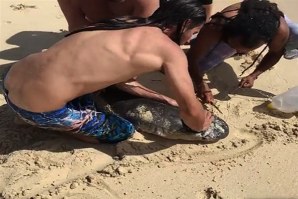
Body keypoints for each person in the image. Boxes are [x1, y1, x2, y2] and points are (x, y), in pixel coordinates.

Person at [3, 0, 213, 144]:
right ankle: (60, 127)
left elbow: (118, 79)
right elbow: (191, 113)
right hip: (34, 110)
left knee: (91, 88)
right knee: (121, 131)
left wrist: (164, 100)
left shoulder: (122, 24)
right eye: (193, 33)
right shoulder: (171, 52)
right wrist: (201, 124)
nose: (189, 40)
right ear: (183, 24)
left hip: (10, 82)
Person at [187, 0, 290, 104]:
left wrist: (253, 75)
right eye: (233, 46)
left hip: (272, 25)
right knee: (197, 63)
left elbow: (275, 53)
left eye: (242, 51)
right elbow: (192, 58)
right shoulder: (217, 25)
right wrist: (200, 83)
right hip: (225, 28)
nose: (237, 52)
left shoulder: (281, 32)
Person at [58, 0, 213, 32]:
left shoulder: (146, 2)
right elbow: (75, 28)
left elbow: (139, 39)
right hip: (98, 27)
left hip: (135, 27)